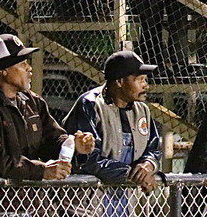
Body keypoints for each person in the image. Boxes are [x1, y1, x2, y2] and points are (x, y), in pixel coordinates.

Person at [0, 34, 95, 180]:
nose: (29, 68)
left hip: (30, 198)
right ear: (3, 70)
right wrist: (40, 170)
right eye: (22, 63)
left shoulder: (32, 100)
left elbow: (50, 138)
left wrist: (73, 145)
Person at [64, 51, 161, 191]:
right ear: (120, 81)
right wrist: (131, 174)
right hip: (91, 198)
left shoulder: (142, 110)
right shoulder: (90, 104)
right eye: (140, 79)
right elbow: (87, 159)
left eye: (146, 80)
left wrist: (149, 164)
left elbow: (154, 148)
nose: (146, 85)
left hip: (127, 197)